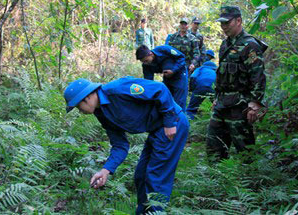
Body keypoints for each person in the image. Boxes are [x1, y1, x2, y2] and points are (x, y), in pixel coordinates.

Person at [64, 77, 189, 214]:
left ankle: (156, 212)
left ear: (86, 97)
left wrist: (170, 121)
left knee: (155, 177)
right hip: (156, 129)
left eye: (77, 106)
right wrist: (106, 170)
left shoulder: (119, 89)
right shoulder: (101, 113)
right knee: (141, 175)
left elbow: (160, 89)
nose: (80, 111)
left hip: (172, 125)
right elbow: (120, 145)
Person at [206, 6, 268, 161]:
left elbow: (258, 75)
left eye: (227, 23)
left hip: (240, 106)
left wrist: (254, 103)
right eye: (222, 23)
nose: (224, 27)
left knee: (245, 151)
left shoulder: (250, 45)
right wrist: (217, 97)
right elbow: (222, 74)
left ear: (238, 20)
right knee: (214, 147)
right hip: (222, 104)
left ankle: (249, 183)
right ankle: (217, 181)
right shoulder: (224, 45)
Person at [136, 44, 188, 110]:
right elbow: (149, 82)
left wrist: (173, 70)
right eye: (143, 62)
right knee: (167, 98)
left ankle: (181, 118)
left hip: (179, 74)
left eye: (146, 61)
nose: (145, 63)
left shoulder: (164, 49)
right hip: (167, 77)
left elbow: (181, 57)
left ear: (150, 54)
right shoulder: (146, 65)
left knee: (179, 100)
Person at [186, 49, 217, 120]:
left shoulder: (200, 69)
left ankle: (188, 121)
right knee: (216, 107)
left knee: (191, 108)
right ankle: (215, 122)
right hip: (212, 88)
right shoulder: (216, 71)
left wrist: (192, 89)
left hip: (200, 87)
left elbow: (193, 77)